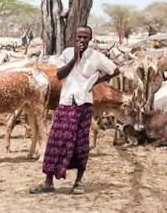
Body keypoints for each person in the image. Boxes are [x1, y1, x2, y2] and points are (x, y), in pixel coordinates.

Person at [31, 25, 121, 195]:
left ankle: (78, 182)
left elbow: (115, 70)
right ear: (75, 37)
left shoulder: (96, 57)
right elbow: (59, 75)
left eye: (85, 37)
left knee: (80, 143)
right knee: (56, 140)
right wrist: (74, 58)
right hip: (65, 102)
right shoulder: (66, 53)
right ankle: (48, 182)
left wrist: (95, 82)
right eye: (79, 37)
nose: (81, 40)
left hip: (84, 104)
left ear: (90, 39)